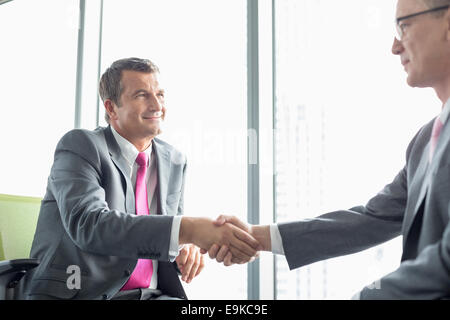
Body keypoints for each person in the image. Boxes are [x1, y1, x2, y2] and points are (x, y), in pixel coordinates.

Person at [207, 0, 450, 299]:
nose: (394, 46)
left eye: (404, 25)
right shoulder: (426, 140)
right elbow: (370, 220)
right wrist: (254, 237)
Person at [20, 57, 260, 300]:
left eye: (160, 94)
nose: (157, 105)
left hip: (152, 295)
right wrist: (189, 229)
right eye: (142, 95)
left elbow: (164, 238)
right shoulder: (81, 146)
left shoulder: (174, 160)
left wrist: (184, 250)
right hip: (84, 294)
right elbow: (90, 226)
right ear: (111, 108)